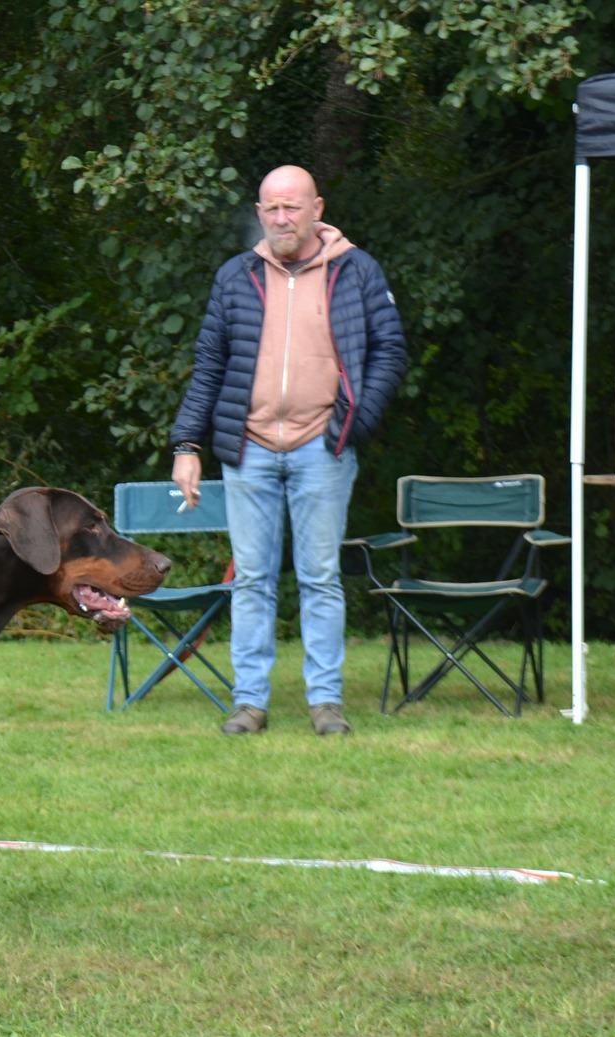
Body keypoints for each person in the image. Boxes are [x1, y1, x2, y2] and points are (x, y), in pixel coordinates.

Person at [169, 165, 407, 737]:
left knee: (320, 577)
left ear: (317, 208)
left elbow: (390, 352)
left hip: (321, 450)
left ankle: (326, 703)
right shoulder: (236, 276)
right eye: (272, 208)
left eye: (292, 207)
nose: (282, 217)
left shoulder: (358, 271)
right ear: (260, 213)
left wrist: (353, 422)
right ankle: (249, 703)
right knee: (251, 578)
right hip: (246, 450)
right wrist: (187, 444)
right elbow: (208, 367)